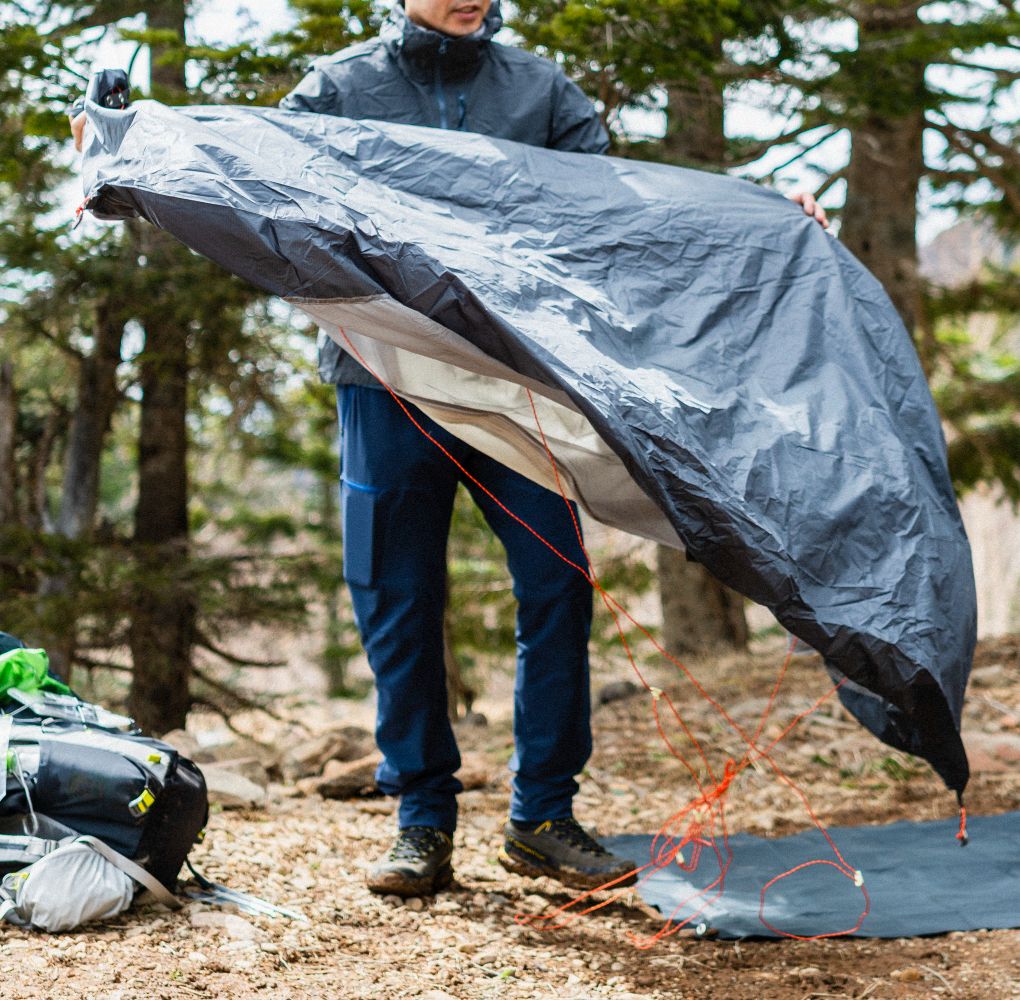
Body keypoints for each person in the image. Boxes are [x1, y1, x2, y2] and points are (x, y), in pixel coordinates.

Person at [70, 0, 828, 899]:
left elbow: (626, 205)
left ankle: (543, 817)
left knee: (556, 588)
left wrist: (754, 211)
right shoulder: (341, 89)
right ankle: (421, 824)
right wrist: (124, 148)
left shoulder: (540, 90)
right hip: (382, 378)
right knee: (399, 598)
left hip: (514, 387)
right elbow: (244, 181)